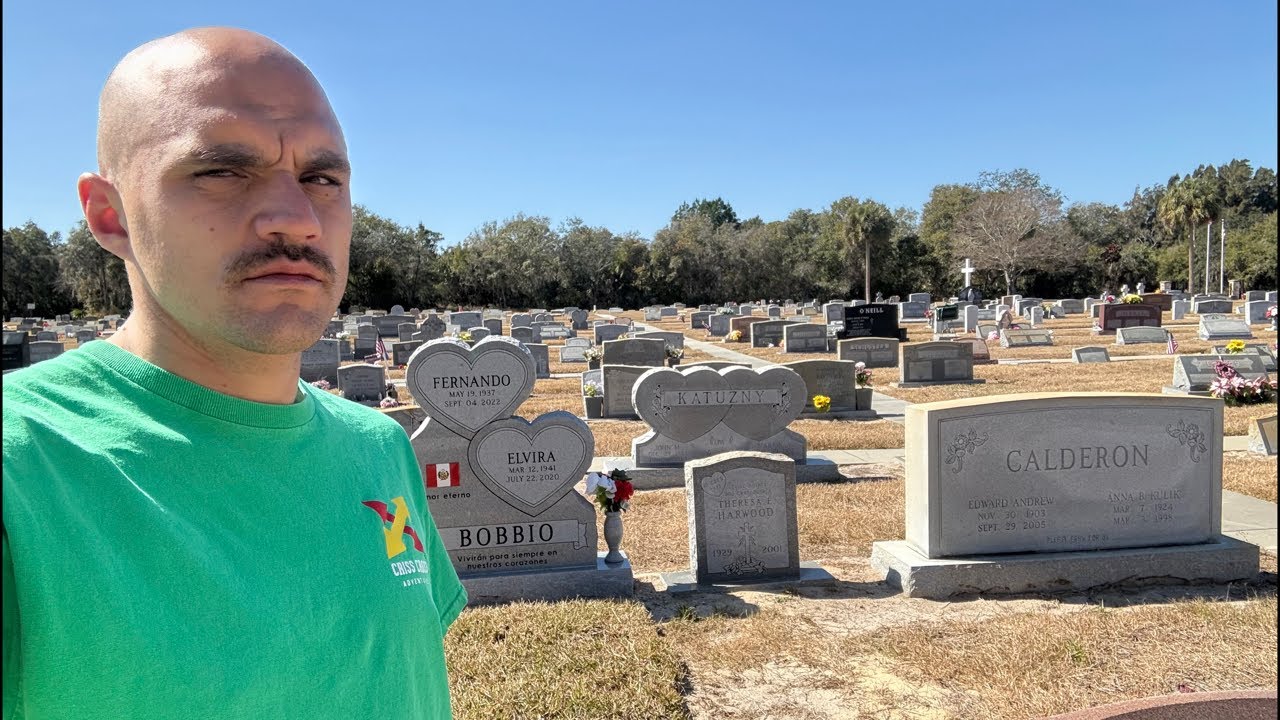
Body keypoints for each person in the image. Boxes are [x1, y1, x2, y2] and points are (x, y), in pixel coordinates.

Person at [2, 28, 465, 719]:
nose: (297, 218)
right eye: (223, 170)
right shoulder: (24, 467)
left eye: (322, 177)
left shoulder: (378, 448)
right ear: (110, 213)